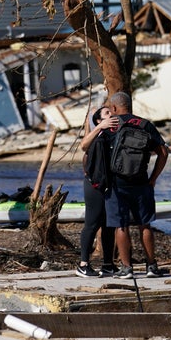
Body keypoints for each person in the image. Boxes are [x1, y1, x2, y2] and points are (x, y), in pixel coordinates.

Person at [105, 91, 169, 279]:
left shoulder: (111, 126)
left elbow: (93, 153)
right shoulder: (144, 124)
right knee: (145, 224)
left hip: (116, 184)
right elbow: (163, 152)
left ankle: (127, 268)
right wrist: (153, 178)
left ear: (115, 108)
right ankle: (151, 266)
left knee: (121, 226)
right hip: (142, 183)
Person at [76, 105, 120, 278]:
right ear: (98, 120)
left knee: (109, 226)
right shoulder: (97, 134)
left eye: (112, 112)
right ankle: (83, 264)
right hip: (93, 186)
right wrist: (99, 127)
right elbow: (83, 145)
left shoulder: (114, 135)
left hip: (109, 185)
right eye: (107, 113)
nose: (111, 115)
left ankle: (108, 264)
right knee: (92, 224)